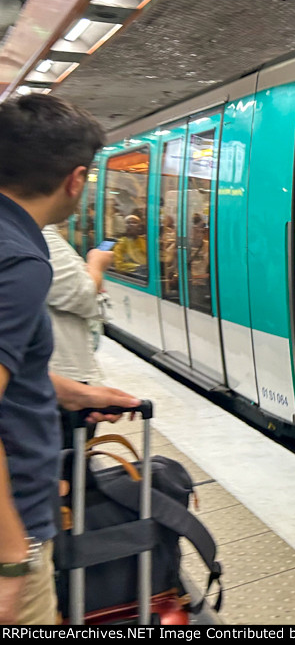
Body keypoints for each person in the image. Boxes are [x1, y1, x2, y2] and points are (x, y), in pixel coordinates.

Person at [0, 94, 140, 625]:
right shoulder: (21, 258)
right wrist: (13, 557)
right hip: (12, 532)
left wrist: (77, 393)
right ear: (76, 179)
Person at [42, 226, 114, 447]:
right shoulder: (40, 234)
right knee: (65, 471)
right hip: (61, 383)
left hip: (57, 385)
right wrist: (96, 264)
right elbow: (81, 294)